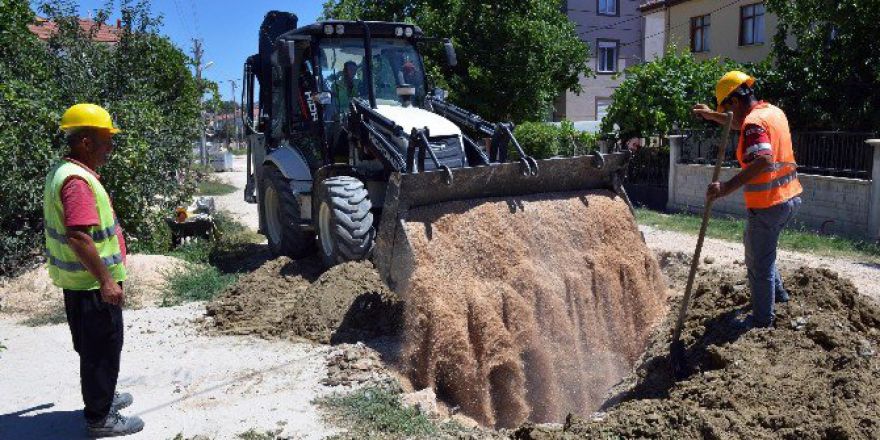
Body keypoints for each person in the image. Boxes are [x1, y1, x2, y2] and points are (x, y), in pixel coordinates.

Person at [43, 103, 145, 437]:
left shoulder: (64, 171)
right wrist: (106, 281)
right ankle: (100, 418)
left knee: (95, 347)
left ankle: (103, 397)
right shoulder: (77, 181)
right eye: (105, 140)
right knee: (102, 350)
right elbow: (79, 237)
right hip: (91, 285)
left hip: (79, 283)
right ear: (85, 142)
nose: (110, 147)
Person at [693, 71, 803, 328]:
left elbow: (763, 160)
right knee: (764, 250)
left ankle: (762, 321)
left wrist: (726, 187)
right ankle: (780, 295)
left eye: (725, 106)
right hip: (790, 197)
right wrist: (711, 115)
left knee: (758, 263)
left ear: (733, 101)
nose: (727, 112)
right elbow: (736, 122)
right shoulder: (772, 112)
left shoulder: (753, 124)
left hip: (769, 204)